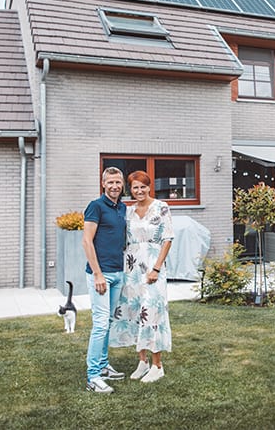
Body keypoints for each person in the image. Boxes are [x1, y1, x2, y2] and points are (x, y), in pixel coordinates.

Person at [110, 170, 174, 383]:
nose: (139, 191)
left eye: (143, 187)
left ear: (149, 187)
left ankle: (158, 365)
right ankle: (142, 361)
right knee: (136, 311)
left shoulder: (161, 207)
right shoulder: (129, 211)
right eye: (135, 187)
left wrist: (156, 268)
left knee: (152, 312)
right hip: (132, 268)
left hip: (153, 267)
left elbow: (167, 239)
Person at [83, 166, 128, 394]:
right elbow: (86, 241)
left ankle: (102, 366)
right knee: (100, 325)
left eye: (118, 182)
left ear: (122, 185)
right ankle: (92, 376)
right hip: (100, 275)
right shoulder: (96, 206)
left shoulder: (122, 208)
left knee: (108, 322)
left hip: (118, 273)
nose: (114, 186)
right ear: (103, 184)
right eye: (110, 182)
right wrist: (98, 273)